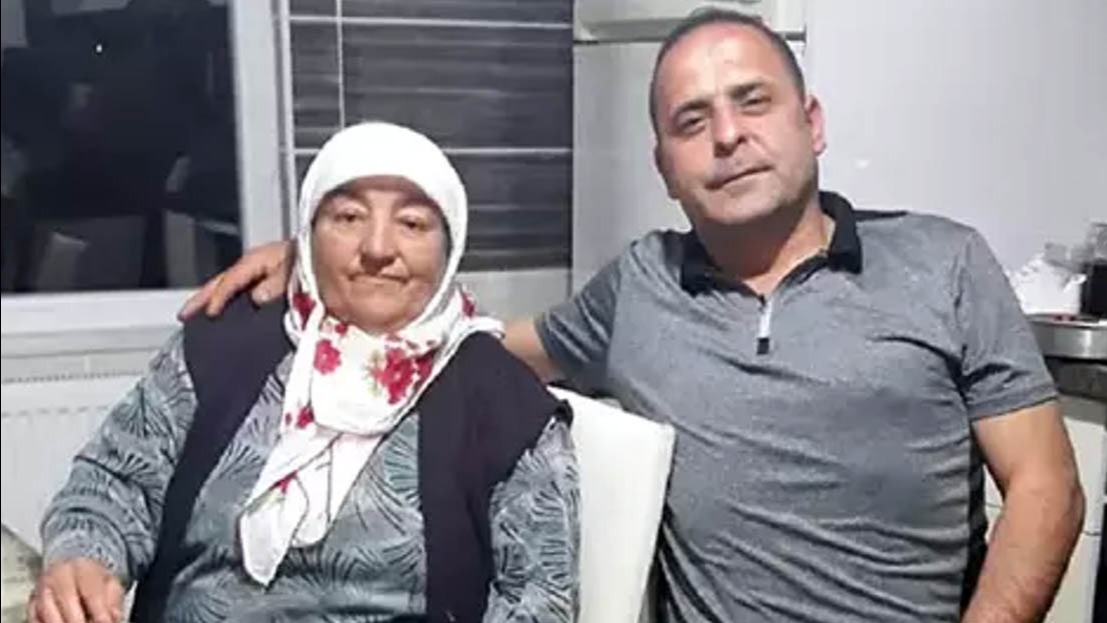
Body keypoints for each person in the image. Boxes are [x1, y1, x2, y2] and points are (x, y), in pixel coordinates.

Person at [180, 9, 1085, 623]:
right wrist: (333, 265)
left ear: (811, 123)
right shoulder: (642, 283)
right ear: (664, 167)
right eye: (691, 121)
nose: (726, 135)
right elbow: (471, 345)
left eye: (752, 102)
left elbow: (1045, 487)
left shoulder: (942, 262)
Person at [30, 122, 579, 623]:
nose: (378, 248)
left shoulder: (505, 405)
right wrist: (83, 557)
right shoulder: (224, 344)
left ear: (450, 245)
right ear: (308, 232)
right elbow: (115, 479)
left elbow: (542, 601)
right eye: (348, 218)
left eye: (412, 223)